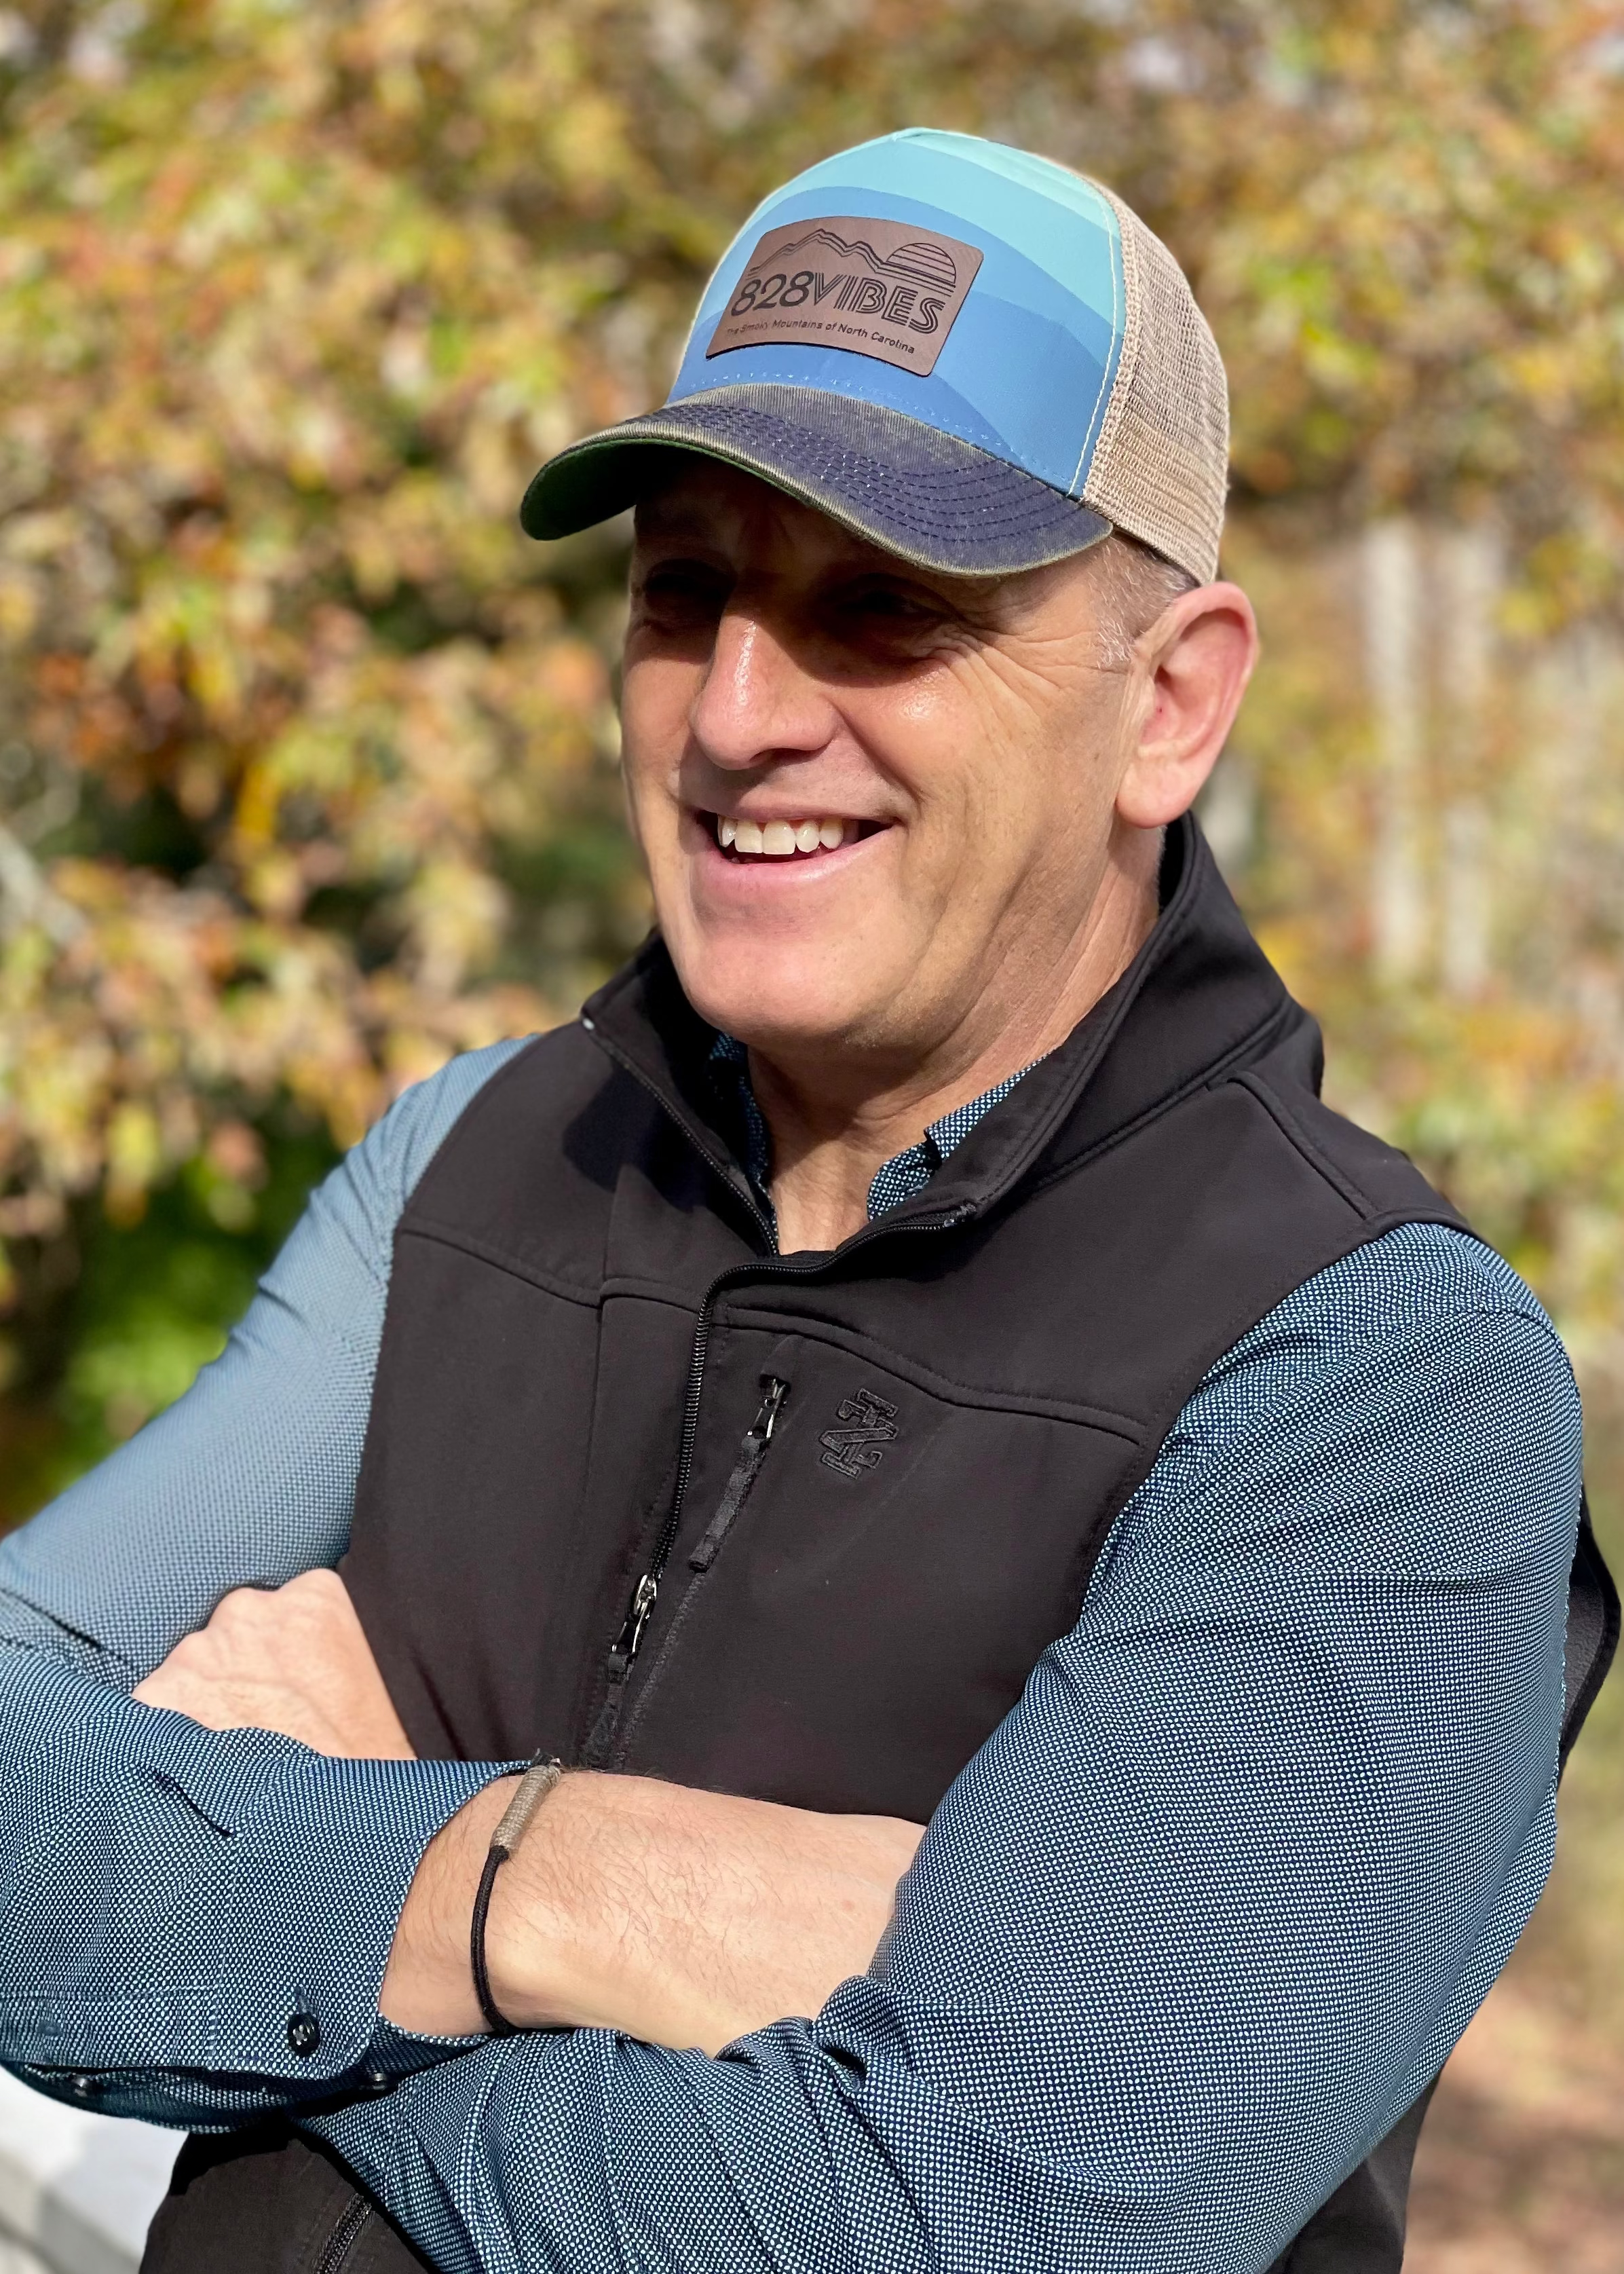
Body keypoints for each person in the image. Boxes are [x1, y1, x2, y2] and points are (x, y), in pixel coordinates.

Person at [0, 129, 1612, 2274]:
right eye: (686, 589)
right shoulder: (476, 1156)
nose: (742, 714)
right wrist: (543, 1878)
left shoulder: (1378, 1374)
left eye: (884, 602)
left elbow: (993, 2219)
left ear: (1172, 700)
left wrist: (272, 1933)